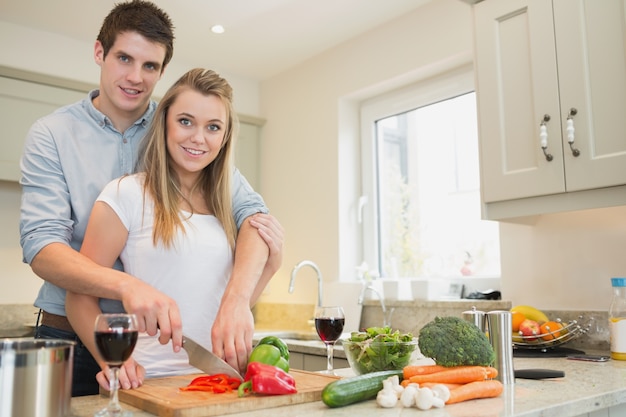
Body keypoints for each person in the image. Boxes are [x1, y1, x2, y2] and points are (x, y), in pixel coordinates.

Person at [19, 0, 283, 396]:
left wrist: (239, 298)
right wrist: (125, 286)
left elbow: (253, 216)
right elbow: (41, 245)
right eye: (124, 58)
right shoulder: (53, 134)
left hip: (154, 350)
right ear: (99, 53)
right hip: (71, 331)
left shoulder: (180, 126)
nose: (135, 77)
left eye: (150, 66)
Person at [66, 67, 261, 385]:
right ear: (165, 122)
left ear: (225, 137)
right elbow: (78, 296)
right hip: (150, 383)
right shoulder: (125, 193)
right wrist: (116, 361)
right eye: (186, 121)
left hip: (220, 380)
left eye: (213, 127)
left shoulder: (230, 208)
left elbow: (228, 296)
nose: (198, 138)